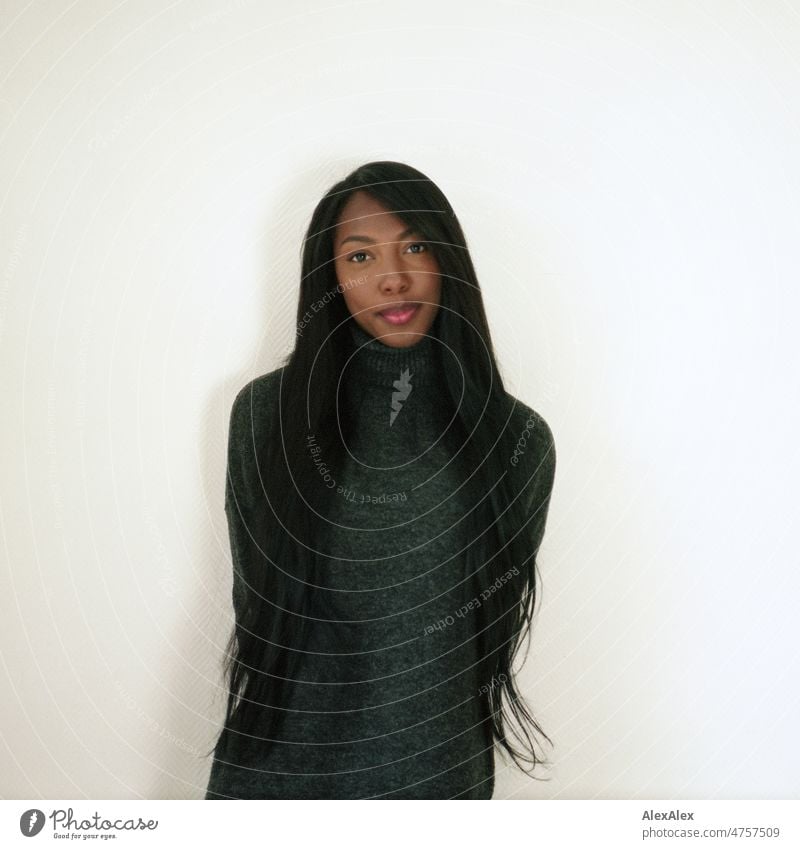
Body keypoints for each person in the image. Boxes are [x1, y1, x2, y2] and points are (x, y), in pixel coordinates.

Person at [204, 160, 557, 799]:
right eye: (360, 257)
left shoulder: (516, 441)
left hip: (435, 783)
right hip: (275, 783)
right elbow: (260, 617)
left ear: (448, 259)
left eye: (415, 246)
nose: (393, 278)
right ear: (331, 278)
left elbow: (475, 654)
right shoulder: (265, 415)